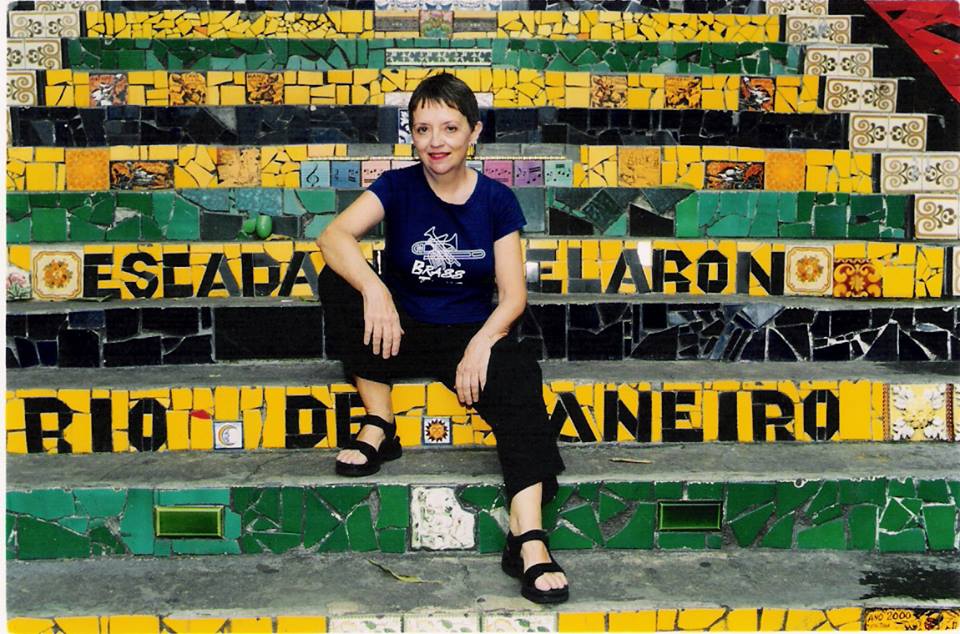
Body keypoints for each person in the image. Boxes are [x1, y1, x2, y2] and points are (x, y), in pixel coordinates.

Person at [315, 72, 569, 604]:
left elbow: (513, 297)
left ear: (473, 132)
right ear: (411, 134)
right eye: (424, 128)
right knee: (338, 279)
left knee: (520, 370)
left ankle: (528, 537)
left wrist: (481, 343)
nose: (436, 141)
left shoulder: (497, 200)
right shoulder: (398, 186)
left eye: (450, 127)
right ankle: (380, 423)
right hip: (401, 328)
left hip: (465, 334)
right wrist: (375, 289)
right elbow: (332, 235)